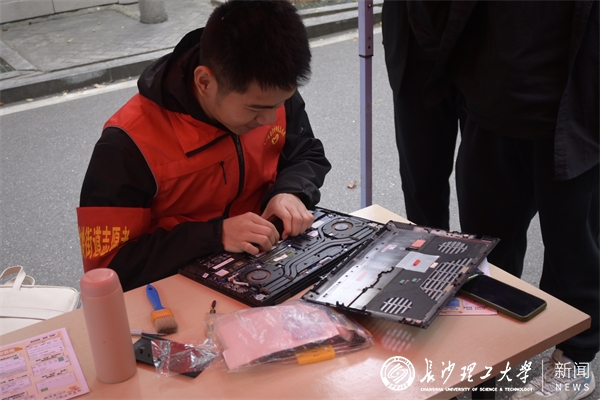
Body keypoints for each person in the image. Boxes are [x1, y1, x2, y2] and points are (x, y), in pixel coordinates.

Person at [411, 1, 598, 399]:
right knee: (487, 256)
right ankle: (490, 361)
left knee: (575, 252)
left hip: (576, 113)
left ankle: (574, 360)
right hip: (490, 105)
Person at [77, 0, 331, 291]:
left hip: (267, 271)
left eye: (280, 103)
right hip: (173, 291)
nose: (270, 119)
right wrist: (214, 235)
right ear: (205, 82)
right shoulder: (127, 145)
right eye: (255, 109)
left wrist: (291, 192)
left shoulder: (269, 93)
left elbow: (306, 152)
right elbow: (108, 266)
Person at [381, 0, 465, 231]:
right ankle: (428, 250)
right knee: (421, 181)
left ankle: (489, 254)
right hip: (412, 38)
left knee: (487, 186)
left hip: (484, 39)